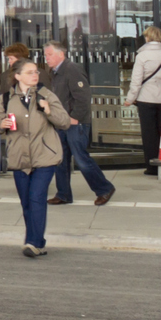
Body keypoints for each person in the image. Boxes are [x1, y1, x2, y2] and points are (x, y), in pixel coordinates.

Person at [0, 58, 70, 258]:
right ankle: (38, 242)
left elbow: (64, 122)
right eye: (30, 72)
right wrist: (2, 125)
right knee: (27, 202)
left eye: (36, 72)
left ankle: (33, 242)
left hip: (45, 156)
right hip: (19, 158)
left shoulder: (46, 95)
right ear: (17, 76)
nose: (35, 75)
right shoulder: (6, 98)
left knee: (36, 198)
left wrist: (48, 110)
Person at [44, 42, 113, 208]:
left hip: (75, 123)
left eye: (49, 55)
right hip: (61, 122)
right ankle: (63, 194)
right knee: (60, 159)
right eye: (46, 55)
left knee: (81, 158)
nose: (46, 59)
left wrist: (75, 117)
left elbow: (83, 96)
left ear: (61, 54)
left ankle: (104, 188)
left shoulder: (72, 69)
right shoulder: (55, 72)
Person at [124, 27, 161, 174]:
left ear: (147, 38)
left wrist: (130, 99)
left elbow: (136, 81)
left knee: (149, 134)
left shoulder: (142, 56)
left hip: (146, 98)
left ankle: (152, 167)